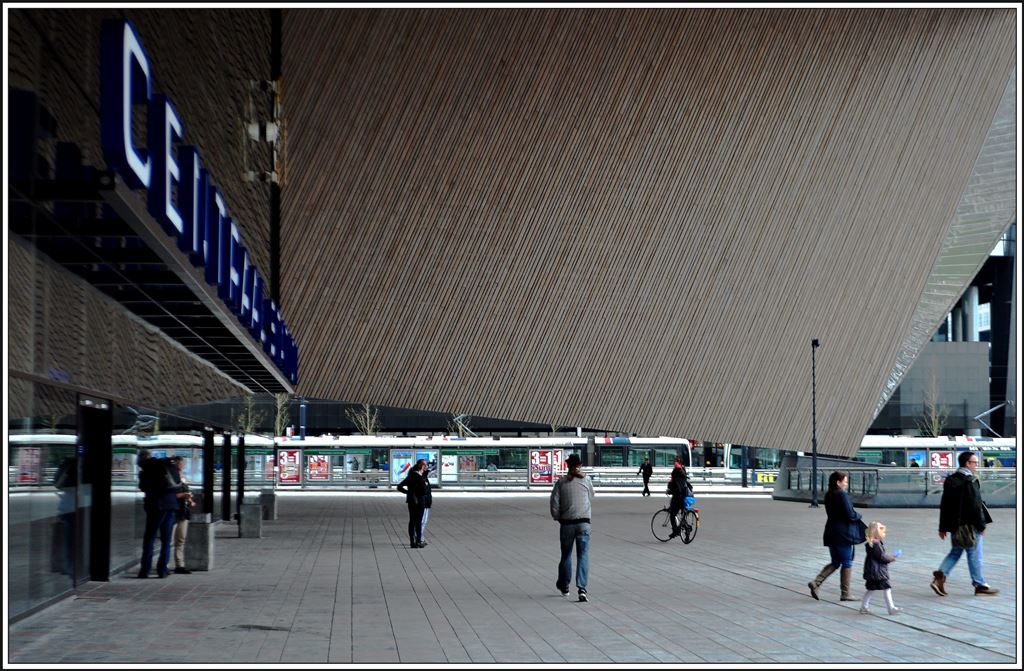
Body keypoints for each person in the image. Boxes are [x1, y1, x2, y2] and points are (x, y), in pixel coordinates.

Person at [930, 451, 998, 597]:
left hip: (955, 526)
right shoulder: (970, 480)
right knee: (975, 555)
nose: (976, 465)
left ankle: (939, 577)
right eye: (975, 462)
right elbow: (975, 505)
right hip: (970, 526)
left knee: (955, 552)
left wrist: (943, 528)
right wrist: (981, 525)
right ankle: (979, 585)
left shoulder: (950, 480)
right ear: (967, 464)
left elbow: (945, 505)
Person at [807, 470, 865, 602]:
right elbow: (850, 514)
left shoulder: (829, 495)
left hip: (831, 532)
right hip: (843, 534)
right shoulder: (842, 495)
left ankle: (817, 582)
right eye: (845, 481)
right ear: (838, 482)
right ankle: (845, 593)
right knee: (847, 562)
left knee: (835, 561)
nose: (846, 483)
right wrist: (859, 515)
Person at [550, 453, 594, 603]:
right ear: (580, 465)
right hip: (584, 523)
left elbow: (554, 504)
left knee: (566, 555)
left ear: (567, 466)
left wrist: (557, 517)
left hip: (567, 524)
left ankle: (564, 586)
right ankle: (582, 588)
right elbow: (591, 496)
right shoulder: (587, 480)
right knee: (583, 555)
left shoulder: (561, 482)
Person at [137, 449, 181, 579]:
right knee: (166, 540)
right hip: (171, 505)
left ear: (142, 459)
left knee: (150, 538)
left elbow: (143, 487)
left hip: (157, 506)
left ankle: (145, 570)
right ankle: (162, 570)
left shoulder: (148, 468)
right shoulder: (166, 465)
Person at [860, 521, 902, 615]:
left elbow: (880, 556)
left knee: (871, 589)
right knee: (887, 588)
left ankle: (864, 607)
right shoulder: (875, 545)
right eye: (883, 532)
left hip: (873, 571)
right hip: (877, 572)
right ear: (877, 533)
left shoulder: (872, 544)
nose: (884, 534)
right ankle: (891, 608)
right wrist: (891, 558)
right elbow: (881, 557)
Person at [170, 456, 195, 574]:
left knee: (181, 538)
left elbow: (186, 491)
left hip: (183, 511)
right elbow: (170, 494)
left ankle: (179, 564)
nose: (182, 466)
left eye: (182, 464)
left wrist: (189, 499)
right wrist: (183, 495)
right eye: (181, 464)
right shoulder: (170, 478)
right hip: (173, 510)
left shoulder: (183, 477)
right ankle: (164, 564)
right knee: (169, 539)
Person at [397, 459, 428, 548]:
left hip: (416, 500)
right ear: (421, 466)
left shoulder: (419, 475)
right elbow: (399, 486)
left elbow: (400, 487)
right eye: (425, 465)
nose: (427, 466)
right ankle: (415, 541)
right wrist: (408, 493)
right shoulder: (414, 476)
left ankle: (416, 541)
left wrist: (408, 493)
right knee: (415, 521)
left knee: (416, 521)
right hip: (416, 501)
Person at [666, 466, 690, 539]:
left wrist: (669, 491)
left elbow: (676, 490)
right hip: (685, 500)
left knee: (672, 515)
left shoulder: (676, 480)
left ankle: (675, 531)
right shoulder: (684, 478)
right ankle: (687, 534)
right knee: (683, 517)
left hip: (677, 500)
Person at [419, 460, 433, 546]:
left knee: (424, 521)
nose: (427, 467)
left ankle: (421, 537)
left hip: (427, 502)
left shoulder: (424, 476)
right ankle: (420, 538)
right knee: (422, 521)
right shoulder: (420, 477)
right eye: (425, 466)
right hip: (423, 502)